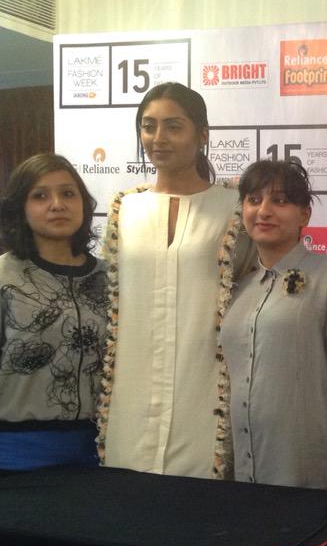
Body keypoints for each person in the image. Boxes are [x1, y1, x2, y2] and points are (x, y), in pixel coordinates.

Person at [98, 82, 253, 479]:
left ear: (203, 135)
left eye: (173, 126)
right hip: (130, 399)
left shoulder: (235, 207)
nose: (158, 138)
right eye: (148, 126)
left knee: (196, 504)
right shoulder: (124, 210)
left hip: (204, 395)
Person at [221, 160, 327, 489]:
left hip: (313, 472)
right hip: (244, 475)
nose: (264, 211)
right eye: (254, 200)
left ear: (304, 215)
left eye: (279, 201)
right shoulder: (239, 288)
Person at [0, 154, 108, 472]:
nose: (57, 205)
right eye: (40, 196)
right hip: (15, 456)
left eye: (68, 193)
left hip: (102, 452)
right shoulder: (5, 277)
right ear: (20, 208)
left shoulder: (112, 278)